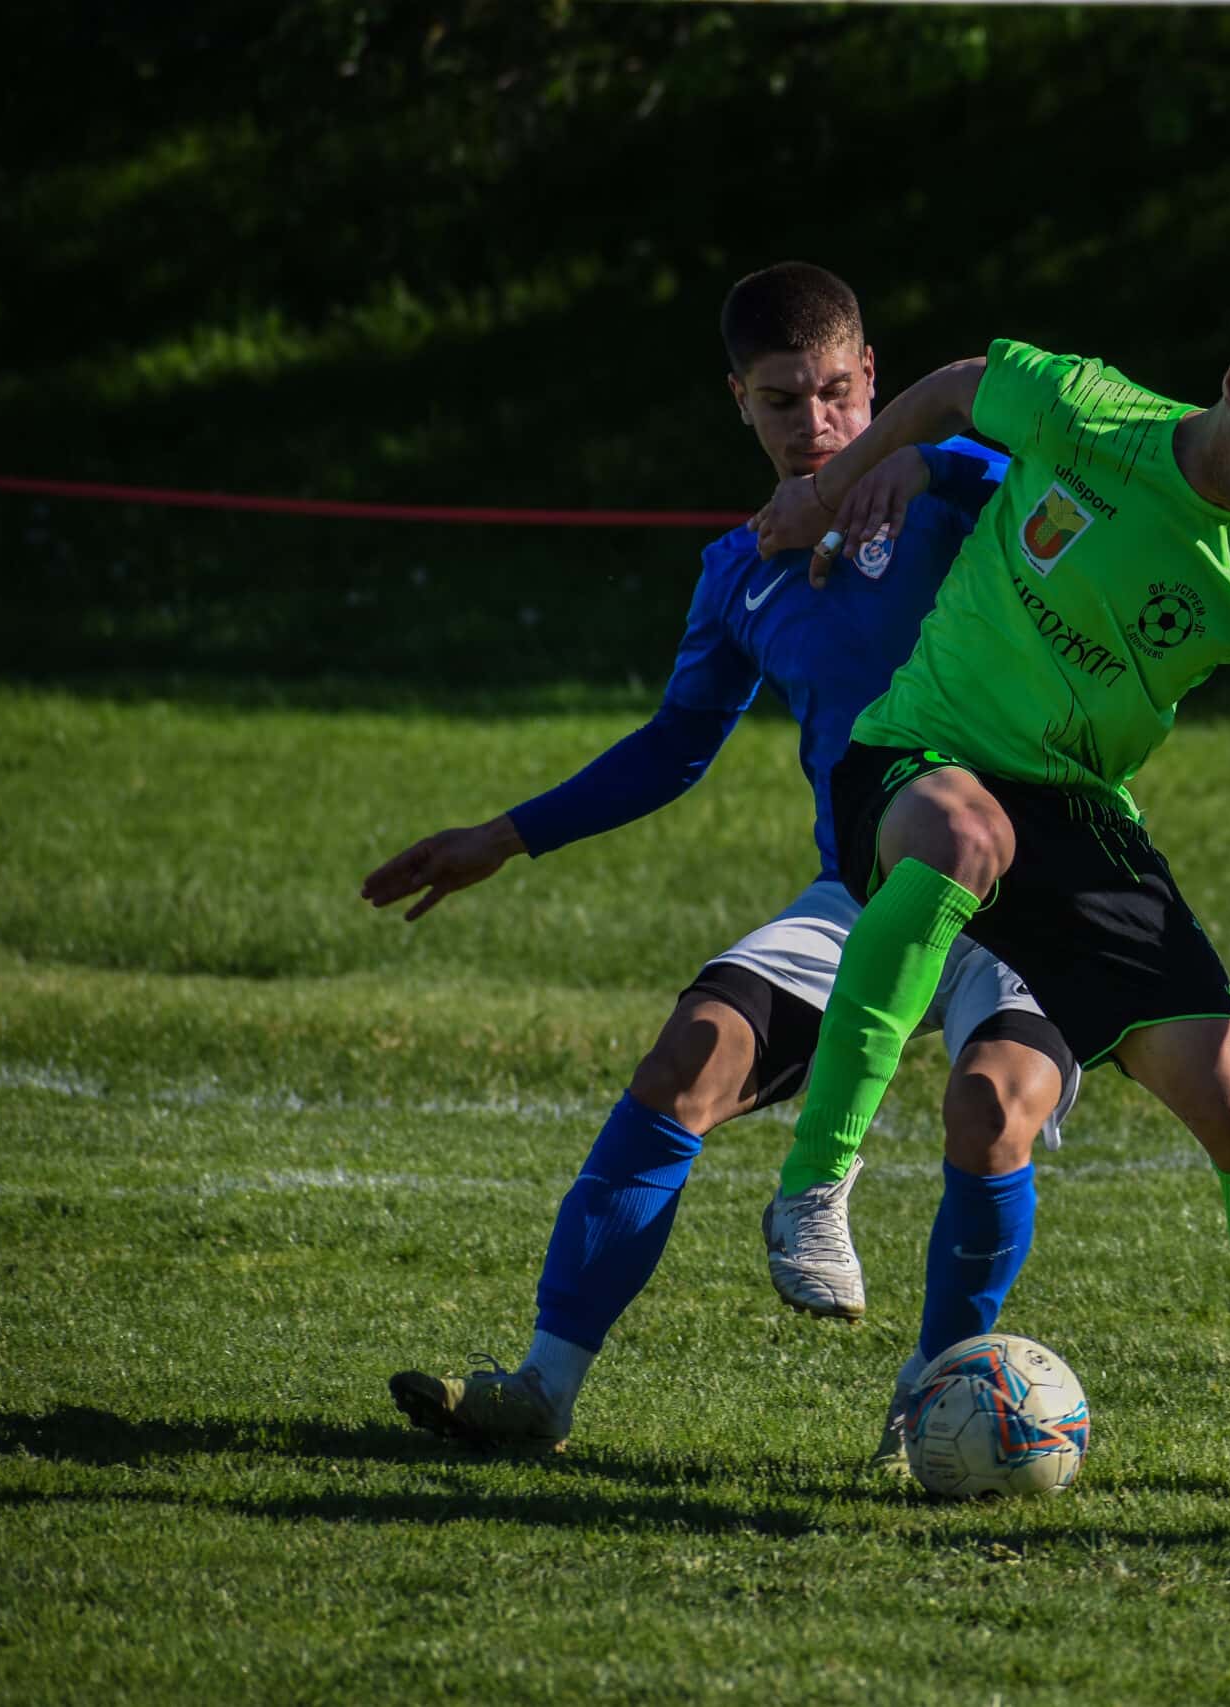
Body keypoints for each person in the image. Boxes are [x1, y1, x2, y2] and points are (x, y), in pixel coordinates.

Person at [367, 262, 1080, 1457]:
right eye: (783, 401)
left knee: (990, 1108)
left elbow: (1081, 480)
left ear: (876, 381)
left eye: (842, 394)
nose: (818, 426)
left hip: (1021, 892)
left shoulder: (961, 494)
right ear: (737, 403)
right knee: (687, 1055)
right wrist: (503, 836)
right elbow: (672, 750)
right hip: (862, 889)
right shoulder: (740, 567)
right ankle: (540, 1388)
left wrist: (928, 457)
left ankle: (932, 1408)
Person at [747, 302, 1230, 1471]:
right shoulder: (1087, 411)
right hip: (922, 753)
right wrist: (828, 493)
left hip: (1076, 815)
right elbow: (951, 390)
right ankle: (814, 1188)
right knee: (963, 838)